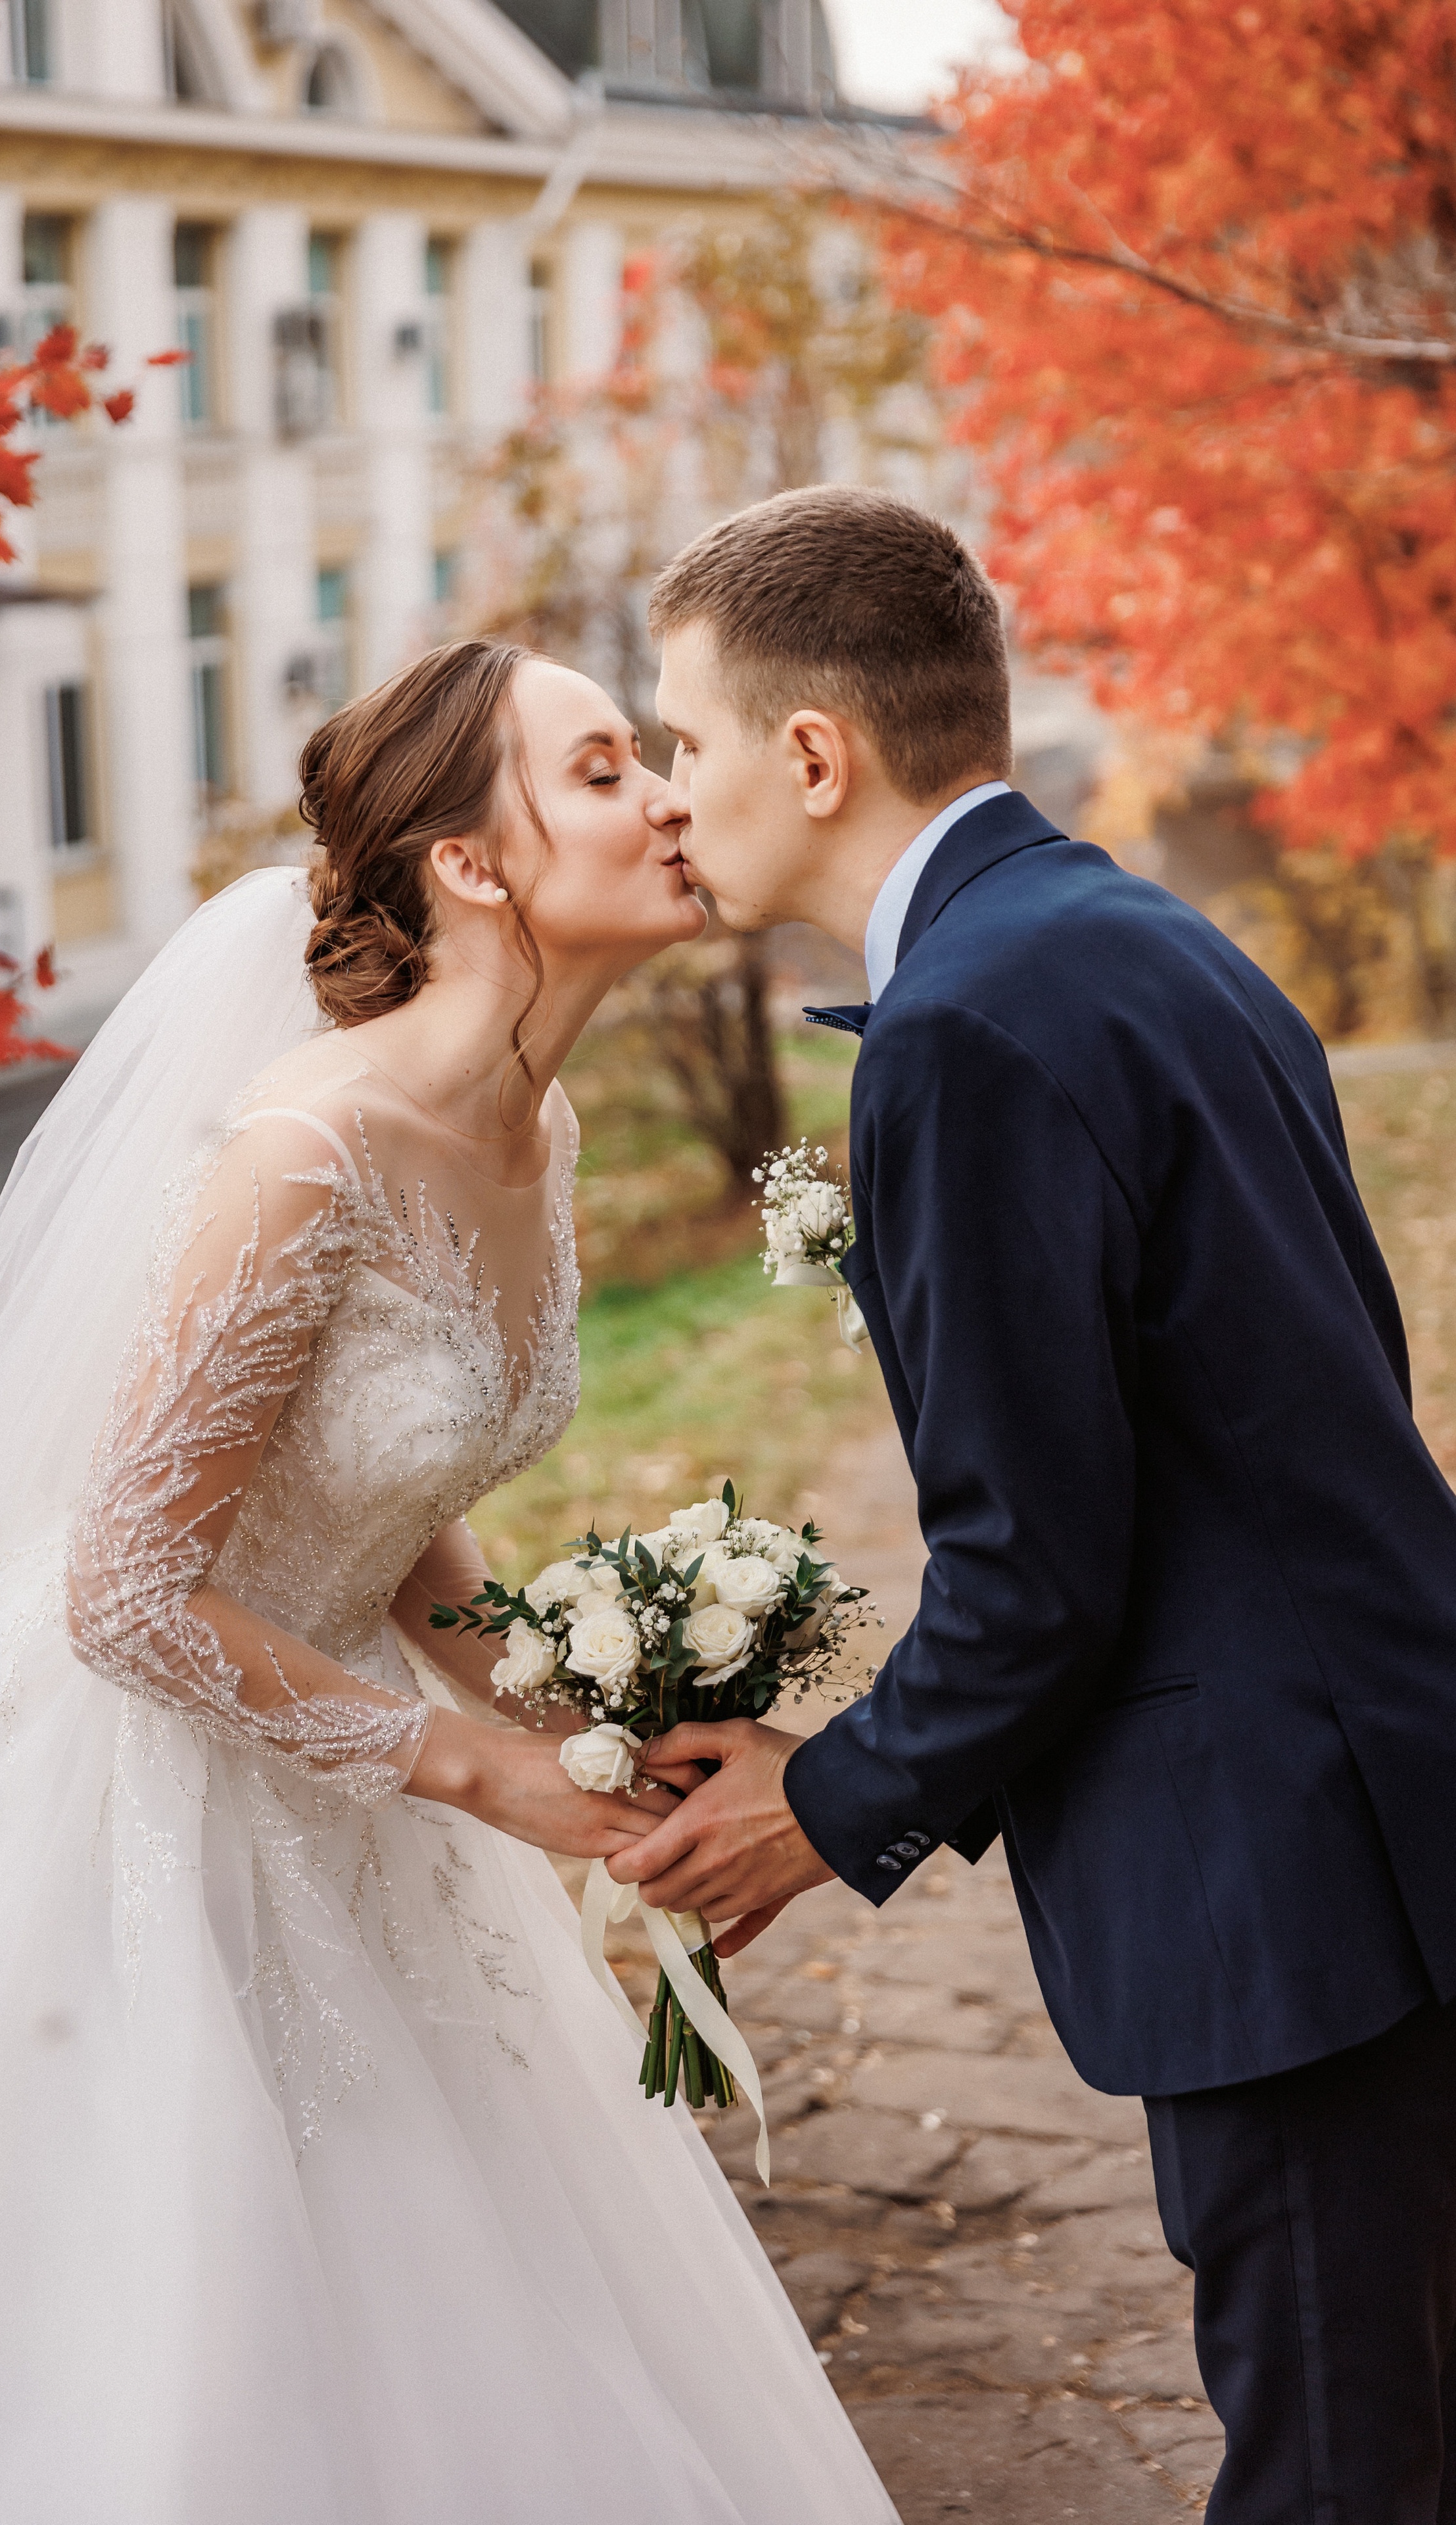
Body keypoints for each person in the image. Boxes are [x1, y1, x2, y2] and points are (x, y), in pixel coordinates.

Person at [0, 638, 895, 2525]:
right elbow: (125, 1595)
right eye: (607, 767)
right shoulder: (303, 1150)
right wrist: (478, 1774)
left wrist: (586, 1733)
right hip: (113, 1791)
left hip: (341, 1759)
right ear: (471, 862)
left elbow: (397, 1521)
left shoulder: (533, 1130)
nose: (668, 798)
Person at [613, 485, 1456, 2522]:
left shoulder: (968, 1034)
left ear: (812, 755)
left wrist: (806, 1817)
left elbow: (1036, 1577)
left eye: (683, 737)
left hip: (1281, 1875)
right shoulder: (1141, 932)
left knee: (1339, 2465)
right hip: (1385, 1791)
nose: (667, 789)